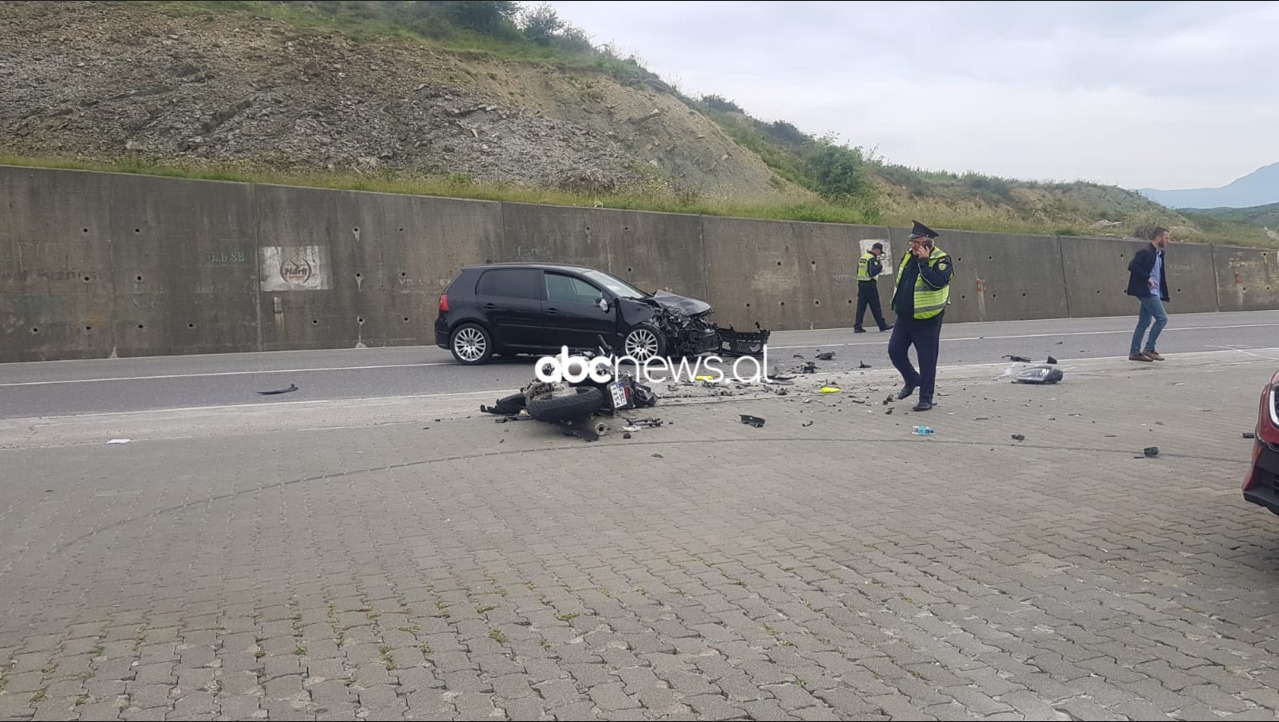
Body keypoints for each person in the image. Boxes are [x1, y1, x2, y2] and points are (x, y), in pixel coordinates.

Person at [888, 220, 954, 412]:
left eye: (917, 242)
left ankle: (926, 398)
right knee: (895, 351)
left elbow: (937, 283)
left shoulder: (942, 260)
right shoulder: (908, 256)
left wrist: (924, 263)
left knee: (927, 360)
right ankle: (911, 379)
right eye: (912, 242)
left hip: (927, 319)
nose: (913, 246)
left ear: (928, 242)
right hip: (905, 316)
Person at [1126, 225, 1171, 362]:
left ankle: (1134, 352)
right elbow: (1132, 266)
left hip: (1154, 291)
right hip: (1147, 291)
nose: (1169, 240)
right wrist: (1147, 278)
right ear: (1158, 238)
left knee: (1144, 322)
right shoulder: (1145, 252)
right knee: (1162, 318)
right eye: (1166, 238)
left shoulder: (1159, 254)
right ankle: (1149, 349)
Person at [854, 242, 893, 333]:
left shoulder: (863, 257)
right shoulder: (872, 258)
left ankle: (857, 326)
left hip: (861, 284)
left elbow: (858, 270)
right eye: (880, 252)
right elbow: (872, 272)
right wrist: (880, 267)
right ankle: (882, 325)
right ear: (877, 250)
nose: (879, 254)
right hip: (869, 284)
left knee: (861, 306)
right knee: (875, 306)